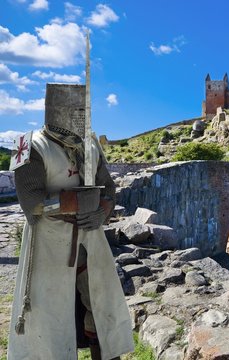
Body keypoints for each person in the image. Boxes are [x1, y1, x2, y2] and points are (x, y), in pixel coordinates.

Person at [8, 84, 134, 360]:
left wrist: (101, 210)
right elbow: (31, 201)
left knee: (101, 309)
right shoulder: (30, 145)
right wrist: (73, 202)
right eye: (76, 111)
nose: (82, 116)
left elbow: (108, 190)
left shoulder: (89, 146)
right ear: (56, 111)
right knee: (49, 320)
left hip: (90, 241)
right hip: (49, 246)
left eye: (84, 111)